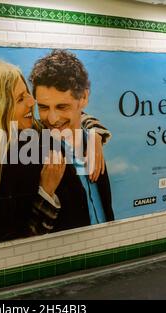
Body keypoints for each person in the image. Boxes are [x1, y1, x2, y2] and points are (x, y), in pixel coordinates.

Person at [0, 60, 111, 251]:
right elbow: (8, 254)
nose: (31, 102)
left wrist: (93, 134)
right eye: (20, 99)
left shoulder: (26, 137)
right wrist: (46, 192)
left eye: (27, 94)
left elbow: (71, 115)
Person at [29, 49, 114, 232]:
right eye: (43, 107)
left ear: (83, 97)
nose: (52, 118)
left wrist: (95, 134)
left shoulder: (92, 140)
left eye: (62, 106)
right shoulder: (34, 151)